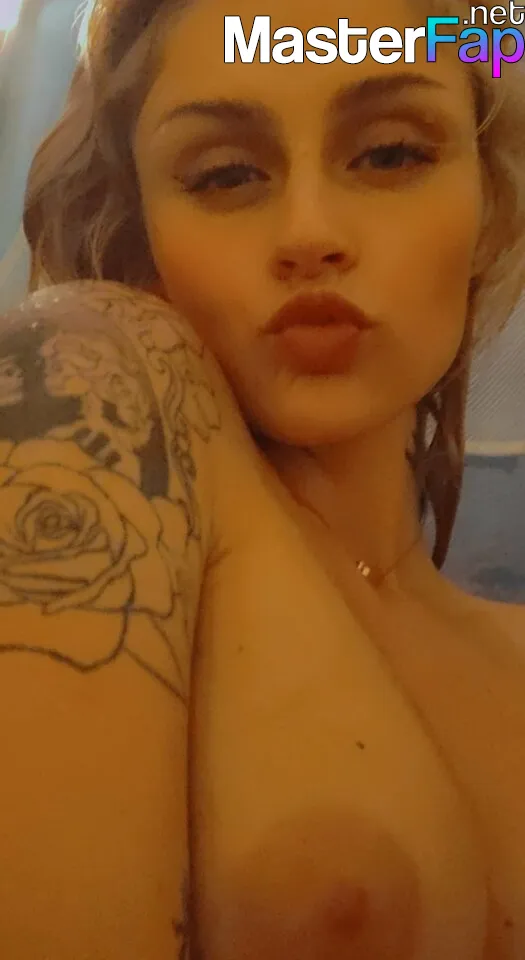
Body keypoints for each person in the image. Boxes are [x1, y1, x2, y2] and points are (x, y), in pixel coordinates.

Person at [2, 0, 525, 956]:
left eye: (390, 154)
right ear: (139, 235)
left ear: (487, 207)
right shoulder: (82, 383)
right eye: (225, 173)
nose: (309, 231)